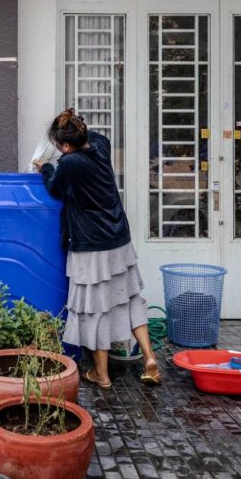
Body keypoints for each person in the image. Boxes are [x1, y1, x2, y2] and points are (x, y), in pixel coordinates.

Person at [35, 108, 161, 388]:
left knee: (95, 309)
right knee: (129, 298)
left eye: (60, 146)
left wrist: (44, 167)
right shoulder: (101, 147)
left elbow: (54, 188)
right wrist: (72, 127)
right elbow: (91, 136)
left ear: (66, 146)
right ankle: (149, 357)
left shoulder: (68, 164)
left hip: (91, 245)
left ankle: (101, 374)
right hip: (119, 239)